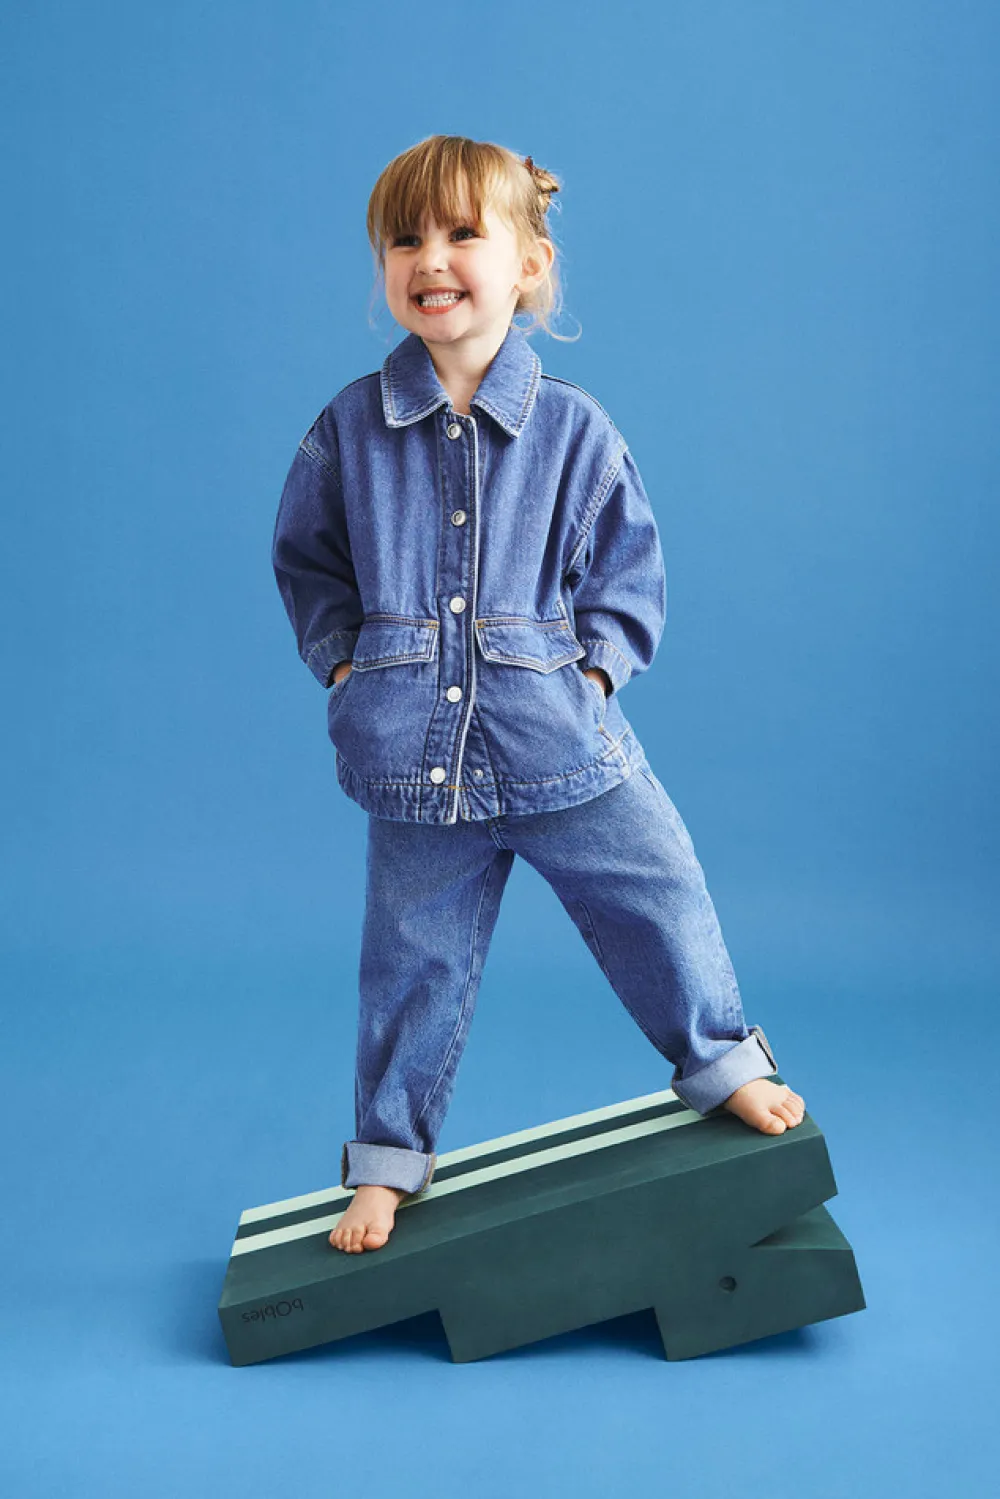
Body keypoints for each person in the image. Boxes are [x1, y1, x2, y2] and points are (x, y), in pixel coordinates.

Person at [271, 134, 805, 1256]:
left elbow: (628, 573)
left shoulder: (575, 429)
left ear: (529, 264)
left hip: (563, 747)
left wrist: (595, 676)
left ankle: (720, 1064)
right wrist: (346, 664)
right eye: (405, 239)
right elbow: (309, 561)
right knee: (408, 965)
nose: (431, 258)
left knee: (659, 892)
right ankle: (386, 1161)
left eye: (463, 233)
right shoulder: (349, 430)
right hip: (414, 762)